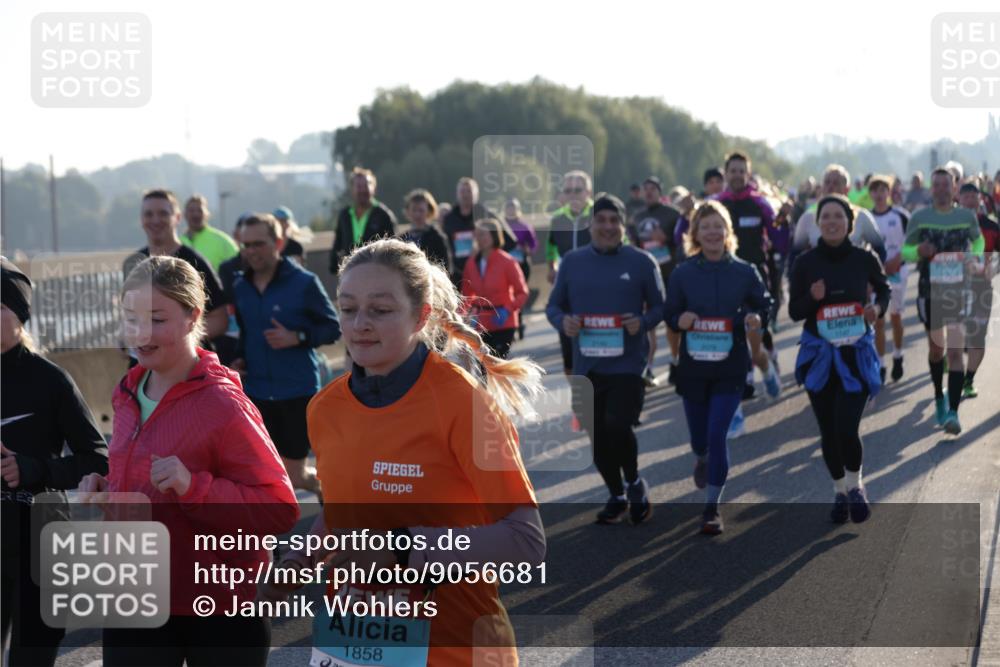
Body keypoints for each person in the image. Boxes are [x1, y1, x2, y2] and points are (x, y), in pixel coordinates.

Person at [257, 238, 545, 666]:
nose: (359, 324)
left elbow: (526, 541)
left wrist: (403, 551)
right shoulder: (325, 407)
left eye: (381, 309)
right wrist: (302, 559)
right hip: (355, 641)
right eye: (348, 308)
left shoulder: (463, 403)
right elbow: (340, 515)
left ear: (421, 316)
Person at [80, 255, 299, 667]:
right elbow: (141, 482)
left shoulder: (222, 403)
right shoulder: (126, 391)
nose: (141, 333)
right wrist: (107, 488)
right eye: (132, 318)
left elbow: (279, 508)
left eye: (157, 319)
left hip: (216, 607)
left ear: (192, 316)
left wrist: (193, 486)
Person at [1, 259, 108, 667]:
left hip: (40, 544)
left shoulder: (50, 379)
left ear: (21, 314)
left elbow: (98, 457)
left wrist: (33, 469)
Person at [546, 193, 665, 525]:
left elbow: (660, 308)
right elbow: (553, 307)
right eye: (602, 220)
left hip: (628, 363)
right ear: (591, 224)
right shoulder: (572, 261)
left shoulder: (642, 262)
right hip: (588, 365)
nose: (608, 226)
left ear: (623, 225)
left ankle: (634, 482)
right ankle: (617, 494)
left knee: (617, 423)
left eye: (615, 221)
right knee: (596, 436)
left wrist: (641, 323)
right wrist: (563, 322)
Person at [664, 202, 772, 535]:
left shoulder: (743, 270)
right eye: (705, 226)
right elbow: (670, 312)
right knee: (700, 439)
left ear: (728, 233)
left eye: (718, 226)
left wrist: (757, 317)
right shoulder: (683, 272)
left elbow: (764, 302)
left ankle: (711, 507)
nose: (712, 232)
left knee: (717, 433)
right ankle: (700, 457)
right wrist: (678, 320)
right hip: (694, 367)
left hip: (731, 365)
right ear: (694, 233)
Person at [789, 194, 889, 524]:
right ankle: (839, 491)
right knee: (828, 433)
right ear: (818, 223)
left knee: (847, 427)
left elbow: (883, 289)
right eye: (826, 217)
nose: (832, 222)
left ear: (849, 222)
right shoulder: (805, 263)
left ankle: (856, 486)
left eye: (838, 216)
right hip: (819, 355)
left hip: (855, 353)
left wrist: (878, 308)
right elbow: (794, 311)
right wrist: (811, 298)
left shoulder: (864, 258)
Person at [231, 214, 341, 494]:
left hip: (296, 390)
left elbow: (333, 328)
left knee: (295, 477)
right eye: (246, 245)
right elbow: (245, 332)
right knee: (264, 474)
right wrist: (240, 359)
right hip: (256, 391)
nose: (252, 251)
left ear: (278, 242)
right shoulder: (240, 286)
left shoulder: (303, 282)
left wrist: (298, 337)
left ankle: (330, 492)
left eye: (259, 243)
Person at [901, 168, 984, 434]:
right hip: (930, 292)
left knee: (955, 353)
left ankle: (953, 412)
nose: (941, 189)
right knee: (937, 351)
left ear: (954, 187)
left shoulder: (966, 216)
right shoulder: (919, 217)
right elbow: (906, 250)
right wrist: (918, 250)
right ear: (930, 188)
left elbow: (978, 240)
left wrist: (975, 257)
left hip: (959, 291)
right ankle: (939, 396)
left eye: (945, 184)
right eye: (936, 185)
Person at [714, 151, 782, 400]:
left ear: (748, 174)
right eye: (733, 170)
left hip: (755, 277)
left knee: (756, 341)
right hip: (723, 277)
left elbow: (780, 240)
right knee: (731, 332)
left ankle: (766, 366)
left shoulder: (760, 203)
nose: (737, 175)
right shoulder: (717, 204)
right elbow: (689, 237)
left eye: (742, 171)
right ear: (726, 173)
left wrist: (782, 222)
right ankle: (744, 382)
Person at [123, 190, 228, 346]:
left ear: (178, 218)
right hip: (143, 362)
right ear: (141, 219)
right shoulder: (133, 263)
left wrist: (176, 338)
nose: (156, 220)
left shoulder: (194, 262)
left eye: (163, 213)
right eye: (149, 214)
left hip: (186, 365)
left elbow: (220, 320)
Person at [633, 176, 682, 387]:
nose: (649, 192)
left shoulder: (672, 214)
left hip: (670, 272)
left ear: (659, 192)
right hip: (646, 275)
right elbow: (633, 243)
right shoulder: (637, 216)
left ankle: (675, 360)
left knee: (672, 322)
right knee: (647, 324)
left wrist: (666, 239)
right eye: (646, 189)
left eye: (653, 188)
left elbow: (683, 241)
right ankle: (648, 368)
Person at [546, 170, 595, 381]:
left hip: (596, 289)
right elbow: (551, 247)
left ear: (588, 192)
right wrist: (551, 266)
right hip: (567, 290)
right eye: (568, 191)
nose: (573, 195)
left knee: (595, 348)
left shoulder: (600, 215)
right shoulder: (557, 219)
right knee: (569, 355)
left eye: (577, 190)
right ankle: (579, 399)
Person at [461, 220, 529, 358]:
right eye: (478, 235)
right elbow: (467, 294)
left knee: (497, 363)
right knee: (483, 368)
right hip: (481, 324)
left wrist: (508, 310)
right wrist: (462, 316)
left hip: (504, 323)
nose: (481, 238)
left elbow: (522, 292)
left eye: (485, 235)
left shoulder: (508, 261)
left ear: (495, 236)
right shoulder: (471, 263)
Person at [791, 165, 887, 261]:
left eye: (836, 183)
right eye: (827, 182)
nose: (830, 187)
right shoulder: (808, 218)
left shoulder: (861, 216)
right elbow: (795, 255)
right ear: (822, 187)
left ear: (847, 189)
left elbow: (880, 249)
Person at [868, 175, 911, 382]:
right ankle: (881, 363)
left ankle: (898, 355)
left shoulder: (901, 215)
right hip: (876, 275)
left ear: (889, 192)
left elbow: (911, 243)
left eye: (882, 190)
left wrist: (897, 259)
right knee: (878, 320)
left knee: (895, 317)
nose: (879, 194)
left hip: (897, 272)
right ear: (870, 194)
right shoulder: (866, 218)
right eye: (875, 190)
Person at [958, 181, 999, 398]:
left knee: (978, 336)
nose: (970, 200)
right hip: (954, 289)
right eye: (965, 196)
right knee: (957, 333)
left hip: (982, 287)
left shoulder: (992, 226)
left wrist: (990, 268)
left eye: (973, 196)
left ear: (979, 200)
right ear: (959, 199)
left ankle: (969, 379)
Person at [442, 177, 518, 288]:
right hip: (458, 277)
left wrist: (491, 255)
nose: (466, 195)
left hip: (486, 275)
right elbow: (443, 247)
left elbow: (511, 242)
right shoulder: (449, 219)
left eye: (469, 191)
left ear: (476, 195)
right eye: (462, 191)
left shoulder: (487, 215)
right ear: (457, 194)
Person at [330, 167, 397, 274]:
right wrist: (334, 265)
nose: (362, 189)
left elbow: (392, 249)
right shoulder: (344, 215)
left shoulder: (384, 215)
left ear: (373, 187)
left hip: (376, 275)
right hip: (351, 275)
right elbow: (337, 244)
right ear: (352, 189)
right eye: (359, 186)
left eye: (366, 185)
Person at [503, 198, 538, 340]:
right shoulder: (502, 226)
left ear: (518, 210)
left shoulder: (524, 226)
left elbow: (534, 246)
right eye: (508, 207)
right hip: (504, 266)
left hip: (521, 264)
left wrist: (525, 248)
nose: (511, 210)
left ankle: (519, 321)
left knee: (519, 293)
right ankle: (510, 323)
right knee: (506, 294)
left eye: (513, 207)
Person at [180, 195, 240, 272]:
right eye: (191, 210)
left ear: (207, 214)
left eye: (200, 210)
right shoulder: (179, 243)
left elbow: (239, 266)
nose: (196, 214)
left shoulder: (223, 241)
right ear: (184, 214)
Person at [399, 188, 451, 273]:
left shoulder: (437, 237)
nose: (417, 214)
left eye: (421, 210)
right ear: (408, 211)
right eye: (414, 210)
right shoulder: (402, 238)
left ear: (429, 211)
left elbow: (446, 268)